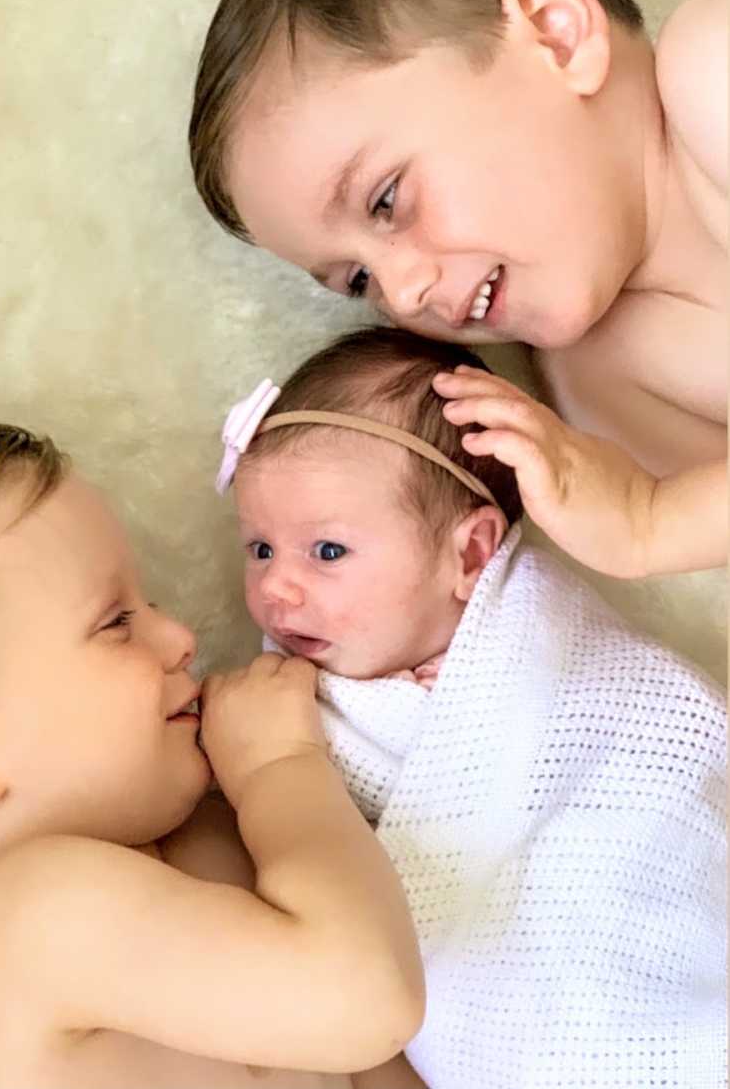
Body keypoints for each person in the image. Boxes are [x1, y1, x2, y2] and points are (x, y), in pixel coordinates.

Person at [0, 419, 426, 1089]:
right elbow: (365, 1000)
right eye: (115, 623)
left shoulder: (189, 836)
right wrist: (281, 769)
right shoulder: (16, 927)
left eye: (151, 603)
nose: (179, 636)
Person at [217, 325, 726, 1089]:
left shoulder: (549, 644)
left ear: (471, 553)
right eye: (260, 548)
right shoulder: (286, 708)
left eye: (326, 552)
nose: (276, 589)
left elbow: (670, 749)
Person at [189, 0, 727, 579]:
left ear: (555, 33)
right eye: (358, 280)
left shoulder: (712, 71)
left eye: (386, 200)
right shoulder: (596, 397)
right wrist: (649, 518)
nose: (403, 292)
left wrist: (662, 520)